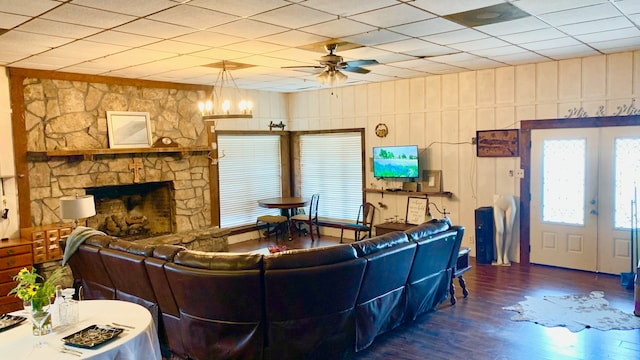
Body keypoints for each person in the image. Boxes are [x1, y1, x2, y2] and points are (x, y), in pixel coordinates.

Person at [493, 194, 516, 266]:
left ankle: (506, 255)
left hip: (510, 201)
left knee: (509, 230)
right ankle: (499, 256)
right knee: (499, 230)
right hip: (497, 200)